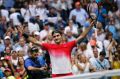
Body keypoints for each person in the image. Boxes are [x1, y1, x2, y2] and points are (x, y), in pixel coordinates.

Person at [26, 18, 95, 78]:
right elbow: (35, 41)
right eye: (54, 36)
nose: (56, 37)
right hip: (56, 76)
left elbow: (82, 36)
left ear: (61, 36)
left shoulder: (69, 45)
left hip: (68, 74)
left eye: (57, 35)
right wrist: (24, 34)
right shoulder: (49, 46)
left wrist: (89, 27)